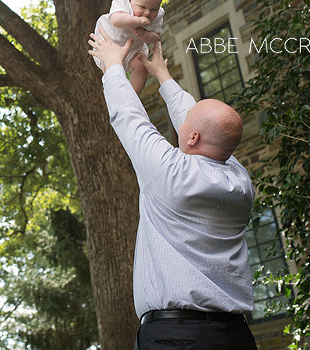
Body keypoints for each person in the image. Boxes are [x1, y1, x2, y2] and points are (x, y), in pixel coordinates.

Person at [88, 30, 258, 350]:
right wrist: (163, 75)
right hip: (235, 337)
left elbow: (130, 117)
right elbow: (202, 126)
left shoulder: (171, 173)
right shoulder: (240, 182)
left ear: (191, 138)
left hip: (175, 339)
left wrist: (112, 65)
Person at [92, 0, 165, 93]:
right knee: (110, 69)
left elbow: (155, 37)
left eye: (153, 9)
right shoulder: (123, 1)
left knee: (142, 66)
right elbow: (116, 20)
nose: (147, 13)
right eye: (142, 7)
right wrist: (138, 21)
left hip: (134, 49)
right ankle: (115, 92)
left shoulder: (159, 15)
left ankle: (132, 95)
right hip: (111, 43)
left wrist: (144, 34)